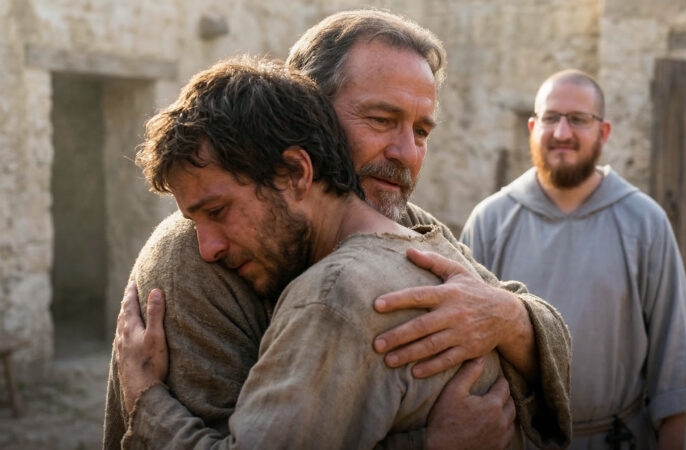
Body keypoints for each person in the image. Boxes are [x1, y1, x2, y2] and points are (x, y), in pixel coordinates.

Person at [103, 9, 571, 450]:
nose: (406, 152)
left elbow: (556, 354)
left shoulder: (409, 227)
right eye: (382, 120)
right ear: (308, 111)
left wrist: (508, 317)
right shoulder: (198, 260)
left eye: (422, 131)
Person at [460, 69, 686, 449]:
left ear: (603, 132)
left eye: (578, 119)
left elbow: (673, 365)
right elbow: (465, 350)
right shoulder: (490, 221)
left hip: (617, 439)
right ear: (532, 126)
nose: (562, 133)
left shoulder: (645, 222)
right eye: (551, 118)